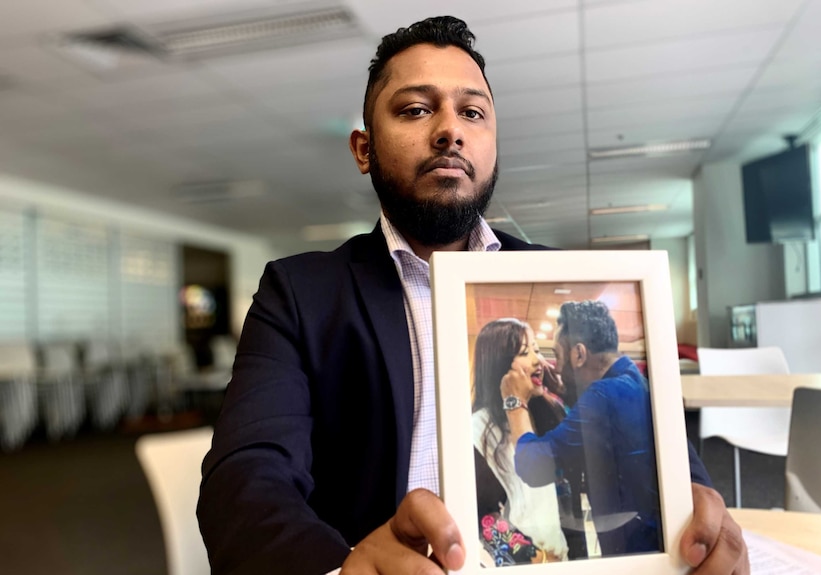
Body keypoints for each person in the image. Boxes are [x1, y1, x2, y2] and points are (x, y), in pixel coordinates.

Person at [197, 15, 750, 575]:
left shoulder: (568, 275)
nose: (450, 131)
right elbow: (244, 479)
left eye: (473, 112)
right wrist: (341, 569)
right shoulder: (301, 294)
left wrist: (699, 512)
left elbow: (672, 463)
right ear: (363, 149)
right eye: (415, 109)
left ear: (492, 141)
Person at [501, 300, 661, 556]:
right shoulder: (631, 379)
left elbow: (534, 465)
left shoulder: (602, 396)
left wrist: (514, 402)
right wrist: (562, 389)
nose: (551, 365)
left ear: (579, 354)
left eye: (557, 355)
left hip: (636, 556)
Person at [471, 318, 568, 564]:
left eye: (536, 349)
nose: (537, 360)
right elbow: (484, 519)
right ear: (500, 366)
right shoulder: (478, 429)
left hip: (564, 560)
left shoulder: (547, 412)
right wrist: (538, 559)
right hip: (525, 565)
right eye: (525, 353)